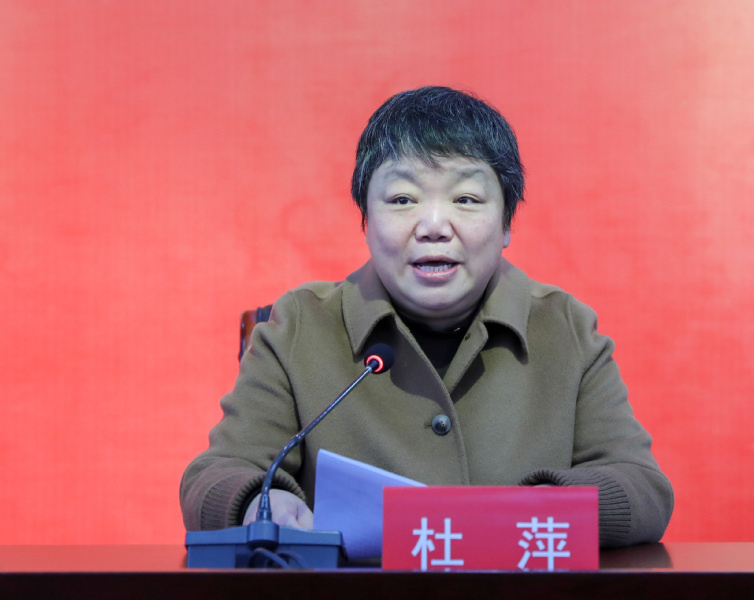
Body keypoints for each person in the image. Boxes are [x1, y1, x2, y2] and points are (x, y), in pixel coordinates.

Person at [180, 86, 674, 547]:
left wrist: (535, 511)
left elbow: (642, 488)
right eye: (402, 200)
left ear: (506, 223)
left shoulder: (564, 328)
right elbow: (216, 476)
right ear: (365, 220)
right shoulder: (299, 327)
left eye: (466, 200)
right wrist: (260, 502)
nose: (434, 225)